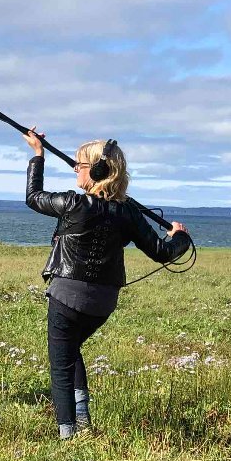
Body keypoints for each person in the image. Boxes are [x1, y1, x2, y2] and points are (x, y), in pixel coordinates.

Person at [22, 128, 192, 439]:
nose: (75, 169)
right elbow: (162, 252)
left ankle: (68, 436)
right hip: (102, 304)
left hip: (65, 296)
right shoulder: (128, 212)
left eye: (79, 164)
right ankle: (83, 417)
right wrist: (179, 236)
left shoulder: (73, 203)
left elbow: (33, 197)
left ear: (99, 171)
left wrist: (38, 154)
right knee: (71, 350)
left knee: (60, 365)